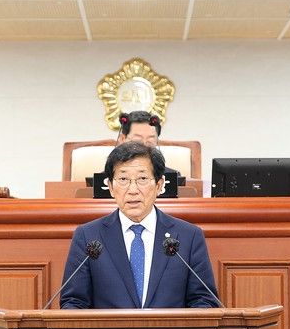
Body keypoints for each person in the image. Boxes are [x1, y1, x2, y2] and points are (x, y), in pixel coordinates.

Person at [58, 141, 220, 309]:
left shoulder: (188, 237)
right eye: (123, 179)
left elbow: (204, 301)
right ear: (111, 187)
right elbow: (73, 303)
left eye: (142, 179)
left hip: (170, 328)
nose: (133, 190)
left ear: (159, 186)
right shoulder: (88, 237)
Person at [116, 110, 180, 175]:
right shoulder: (112, 174)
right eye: (137, 140)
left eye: (150, 141)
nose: (144, 145)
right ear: (122, 139)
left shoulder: (170, 176)